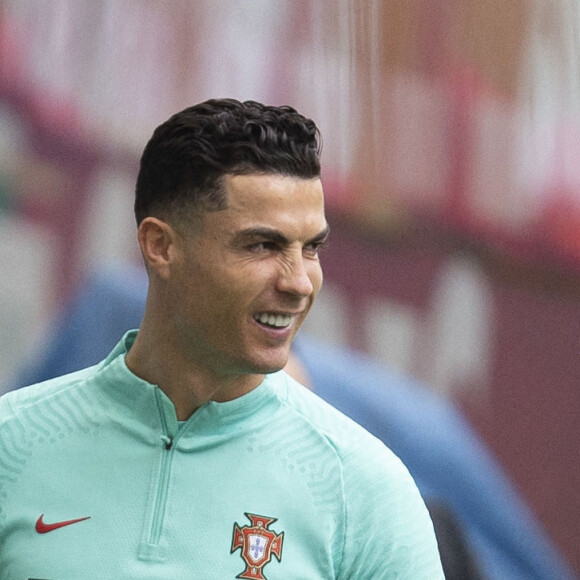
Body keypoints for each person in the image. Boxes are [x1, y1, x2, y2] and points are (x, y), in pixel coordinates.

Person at [0, 99, 444, 579]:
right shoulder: (13, 444)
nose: (299, 282)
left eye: (310, 248)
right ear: (161, 246)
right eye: (262, 245)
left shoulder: (365, 490)